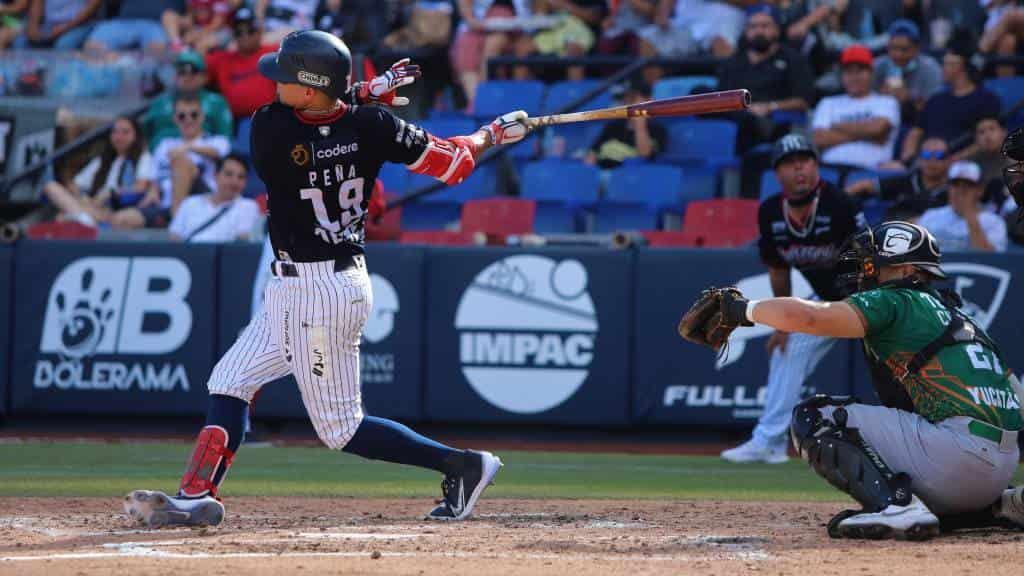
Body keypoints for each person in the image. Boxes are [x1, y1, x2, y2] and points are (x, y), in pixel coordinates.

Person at [123, 30, 529, 527]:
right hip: (301, 287)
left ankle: (463, 465)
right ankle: (196, 495)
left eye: (287, 78)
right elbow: (453, 163)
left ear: (312, 89)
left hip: (322, 295)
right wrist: (490, 134)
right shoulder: (376, 126)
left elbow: (323, 121)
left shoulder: (270, 130)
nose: (273, 84)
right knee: (229, 381)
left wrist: (362, 93)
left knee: (340, 429)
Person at [700, 221, 1024, 539]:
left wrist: (743, 310)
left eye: (873, 263)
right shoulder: (962, 317)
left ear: (906, 268)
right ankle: (997, 504)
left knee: (815, 417)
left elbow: (812, 317)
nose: (865, 272)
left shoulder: (896, 298)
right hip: (1000, 466)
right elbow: (1016, 396)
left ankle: (896, 507)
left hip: (954, 459)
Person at [721, 133, 865, 464]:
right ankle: (769, 442)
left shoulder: (840, 204)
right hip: (829, 300)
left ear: (816, 166)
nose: (798, 168)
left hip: (867, 299)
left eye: (805, 160)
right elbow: (778, 271)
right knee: (787, 346)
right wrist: (782, 322)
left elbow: (869, 259)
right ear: (777, 174)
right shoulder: (771, 211)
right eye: (789, 163)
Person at [114, 93, 231, 230]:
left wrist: (187, 148)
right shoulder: (165, 145)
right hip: (166, 204)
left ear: (202, 117)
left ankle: (177, 225)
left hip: (201, 203)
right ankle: (174, 221)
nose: (188, 119)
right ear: (175, 119)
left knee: (181, 162)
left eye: (194, 115)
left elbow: (218, 152)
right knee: (121, 219)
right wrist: (153, 190)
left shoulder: (216, 141)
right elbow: (154, 178)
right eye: (182, 116)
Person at [716, 5, 815, 154]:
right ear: (746, 31)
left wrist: (770, 106)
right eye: (753, 26)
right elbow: (721, 97)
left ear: (777, 29)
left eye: (765, 26)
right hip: (736, 115)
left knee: (747, 121)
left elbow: (804, 101)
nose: (759, 31)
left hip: (773, 119)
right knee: (698, 92)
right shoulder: (733, 62)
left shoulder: (793, 59)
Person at [899, 29, 1001, 166]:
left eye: (946, 64)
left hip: (964, 168)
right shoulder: (935, 100)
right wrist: (908, 160)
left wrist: (952, 161)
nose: (942, 69)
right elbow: (915, 133)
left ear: (959, 66)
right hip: (927, 165)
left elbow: (986, 139)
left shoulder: (986, 99)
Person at [42, 115, 154, 228]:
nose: (119, 137)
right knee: (51, 187)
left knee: (63, 217)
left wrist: (111, 192)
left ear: (136, 136)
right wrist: (81, 197)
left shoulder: (144, 157)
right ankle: (83, 217)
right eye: (115, 132)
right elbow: (75, 184)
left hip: (116, 210)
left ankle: (82, 218)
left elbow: (141, 187)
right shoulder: (104, 160)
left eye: (125, 132)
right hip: (92, 205)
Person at [811, 44, 899, 170]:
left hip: (871, 172)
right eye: (849, 72)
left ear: (871, 73)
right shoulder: (828, 103)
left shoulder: (886, 102)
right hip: (831, 170)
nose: (854, 77)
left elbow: (877, 129)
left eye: (860, 71)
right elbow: (819, 139)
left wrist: (835, 126)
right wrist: (868, 135)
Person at [638, 0, 747, 83]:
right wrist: (662, 14)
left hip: (724, 18)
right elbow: (664, 10)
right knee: (649, 36)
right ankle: (654, 99)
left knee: (722, 44)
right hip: (687, 25)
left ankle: (730, 94)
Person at [846, 136, 952, 221]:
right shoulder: (908, 180)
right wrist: (838, 200)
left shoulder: (955, 188)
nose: (932, 161)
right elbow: (865, 185)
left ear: (948, 160)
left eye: (939, 155)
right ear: (919, 159)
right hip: (894, 233)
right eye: (926, 155)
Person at [145, 50, 234, 149]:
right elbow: (145, 135)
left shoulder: (217, 102)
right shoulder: (159, 103)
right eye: (182, 72)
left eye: (194, 71)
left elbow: (225, 138)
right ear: (175, 76)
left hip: (205, 156)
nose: (187, 77)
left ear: (205, 77)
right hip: (161, 158)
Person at [204, 7, 278, 121]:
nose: (245, 36)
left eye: (250, 30)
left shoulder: (273, 52)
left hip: (271, 117)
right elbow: (195, 66)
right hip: (237, 122)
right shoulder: (222, 59)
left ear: (260, 31)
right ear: (233, 35)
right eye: (239, 32)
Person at [918, 161, 1008, 253]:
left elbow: (992, 261)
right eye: (955, 184)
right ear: (948, 188)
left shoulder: (994, 223)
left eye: (967, 185)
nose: (960, 190)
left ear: (980, 190)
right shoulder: (930, 216)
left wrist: (969, 215)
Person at [169, 153, 261, 242]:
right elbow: (175, 237)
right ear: (216, 175)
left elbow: (241, 242)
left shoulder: (248, 207)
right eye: (229, 174)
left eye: (241, 177)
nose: (234, 181)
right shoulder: (190, 203)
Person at [871, 19, 943, 126]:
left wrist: (908, 101)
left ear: (916, 49)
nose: (898, 55)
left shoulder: (930, 68)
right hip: (880, 122)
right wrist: (880, 97)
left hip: (917, 124)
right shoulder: (877, 66)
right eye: (894, 48)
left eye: (904, 49)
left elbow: (935, 110)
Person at [583, 80, 666, 168]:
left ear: (649, 100)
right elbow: (592, 154)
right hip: (603, 175)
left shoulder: (658, 129)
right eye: (625, 98)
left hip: (633, 176)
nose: (627, 102)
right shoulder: (613, 126)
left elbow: (645, 155)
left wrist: (639, 125)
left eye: (632, 98)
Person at [84, 0, 185, 55]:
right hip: (124, 21)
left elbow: (192, 12)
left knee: (157, 50)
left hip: (157, 24)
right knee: (91, 46)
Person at [12, 0, 99, 50]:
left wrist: (64, 28)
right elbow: (38, 3)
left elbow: (91, 8)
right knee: (20, 42)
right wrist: (33, 25)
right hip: (49, 25)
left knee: (64, 45)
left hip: (79, 24)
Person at [162, 0, 236, 54]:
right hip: (198, 28)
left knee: (203, 43)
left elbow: (217, 24)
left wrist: (197, 34)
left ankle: (196, 67)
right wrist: (191, 31)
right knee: (168, 15)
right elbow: (190, 18)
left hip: (221, 31)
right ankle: (177, 44)